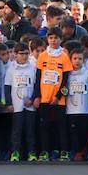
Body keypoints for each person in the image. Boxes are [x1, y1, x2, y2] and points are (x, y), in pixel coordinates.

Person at [34, 27, 72, 161]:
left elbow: (66, 80)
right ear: (47, 39)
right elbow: (38, 77)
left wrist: (58, 97)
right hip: (45, 98)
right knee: (44, 126)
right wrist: (37, 96)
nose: (53, 40)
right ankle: (45, 151)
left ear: (60, 39)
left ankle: (64, 151)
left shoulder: (64, 56)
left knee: (61, 126)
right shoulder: (42, 56)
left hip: (59, 100)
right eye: (50, 38)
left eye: (56, 38)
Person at [5, 42, 37, 162]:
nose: (24, 56)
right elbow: (7, 87)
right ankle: (15, 152)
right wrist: (9, 103)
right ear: (15, 54)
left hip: (29, 105)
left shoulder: (32, 67)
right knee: (16, 130)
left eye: (26, 54)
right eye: (21, 54)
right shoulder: (11, 68)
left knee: (30, 130)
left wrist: (33, 99)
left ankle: (31, 153)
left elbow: (36, 85)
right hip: (16, 104)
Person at [65, 46, 88, 160]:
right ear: (71, 59)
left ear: (83, 60)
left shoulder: (87, 74)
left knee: (84, 131)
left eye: (80, 59)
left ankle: (84, 150)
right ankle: (76, 151)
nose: (77, 61)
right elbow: (64, 89)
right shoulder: (68, 75)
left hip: (84, 109)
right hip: (71, 109)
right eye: (75, 58)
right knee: (73, 132)